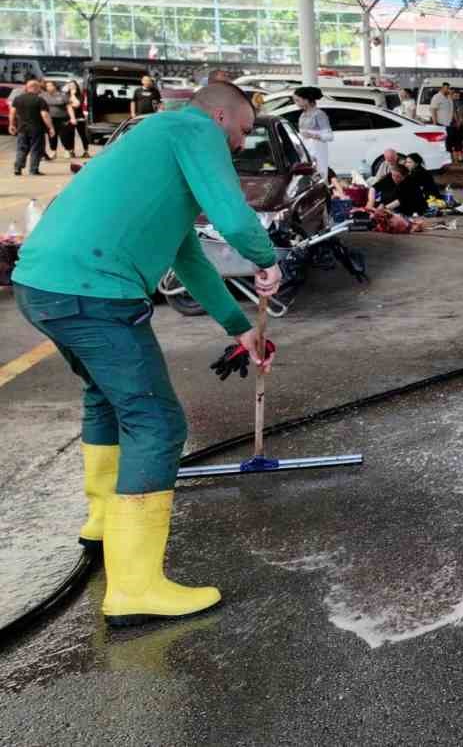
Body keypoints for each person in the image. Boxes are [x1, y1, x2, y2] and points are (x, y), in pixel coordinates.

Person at [11, 82, 281, 628]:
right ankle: (134, 588)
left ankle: (101, 519)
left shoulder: (154, 142)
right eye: (243, 131)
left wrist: (239, 327)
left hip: (41, 284)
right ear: (221, 115)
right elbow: (233, 217)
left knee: (106, 399)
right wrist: (267, 259)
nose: (239, 144)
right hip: (92, 290)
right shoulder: (193, 128)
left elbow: (188, 257)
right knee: (156, 423)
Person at [10, 78, 53, 176]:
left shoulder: (18, 99)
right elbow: (44, 115)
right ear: (35, 88)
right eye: (39, 88)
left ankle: (18, 168)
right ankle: (33, 170)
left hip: (22, 128)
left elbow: (12, 113)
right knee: (36, 149)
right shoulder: (40, 100)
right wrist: (51, 127)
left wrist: (11, 125)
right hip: (36, 129)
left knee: (21, 148)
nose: (40, 90)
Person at [293, 86, 333, 178]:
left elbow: (329, 136)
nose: (296, 103)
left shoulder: (319, 115)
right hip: (306, 154)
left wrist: (313, 135)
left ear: (306, 100)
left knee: (318, 178)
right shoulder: (303, 115)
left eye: (297, 100)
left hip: (317, 153)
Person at [42, 80, 70, 160]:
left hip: (62, 118)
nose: (48, 87)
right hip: (50, 119)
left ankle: (67, 150)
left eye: (50, 85)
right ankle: (53, 151)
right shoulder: (43, 96)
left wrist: (72, 118)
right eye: (47, 86)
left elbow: (69, 107)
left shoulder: (63, 95)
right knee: (52, 135)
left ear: (55, 86)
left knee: (64, 135)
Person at [429, 83, 456, 159]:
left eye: (448, 88)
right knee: (442, 143)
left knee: (449, 142)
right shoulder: (437, 97)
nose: (448, 90)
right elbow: (433, 110)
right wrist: (435, 123)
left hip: (449, 123)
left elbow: (451, 110)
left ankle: (448, 158)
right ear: (442, 88)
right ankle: (441, 158)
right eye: (446, 88)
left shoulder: (448, 97)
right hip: (440, 123)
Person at [62, 79, 85, 158]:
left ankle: (86, 150)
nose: (71, 86)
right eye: (70, 85)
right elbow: (66, 105)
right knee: (69, 134)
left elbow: (77, 105)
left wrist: (73, 95)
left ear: (76, 86)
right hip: (69, 117)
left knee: (82, 134)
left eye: (73, 85)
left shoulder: (80, 95)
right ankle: (71, 150)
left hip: (79, 117)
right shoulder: (65, 95)